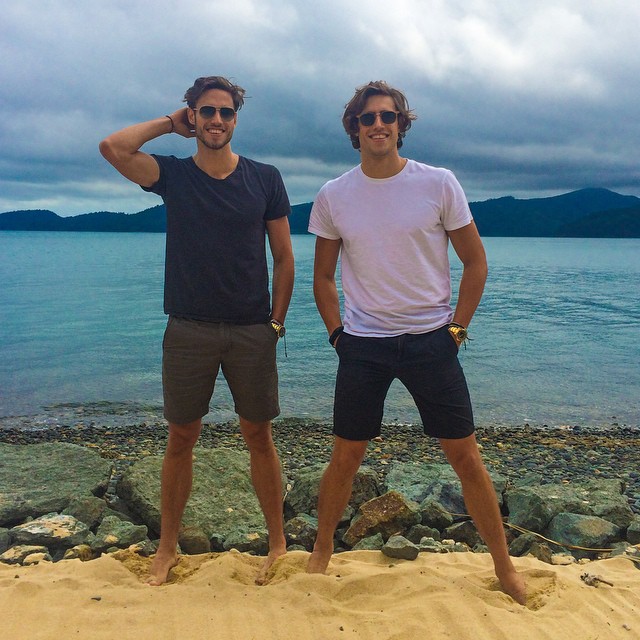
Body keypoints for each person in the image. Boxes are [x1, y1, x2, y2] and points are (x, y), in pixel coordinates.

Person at [306, 80, 526, 605]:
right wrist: (337, 333)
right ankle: (319, 554)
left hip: (432, 339)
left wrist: (457, 328)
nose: (378, 125)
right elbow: (322, 275)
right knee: (345, 455)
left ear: (402, 123)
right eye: (367, 118)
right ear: (353, 129)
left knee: (465, 456)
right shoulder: (334, 194)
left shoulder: (439, 183)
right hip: (363, 343)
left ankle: (504, 567)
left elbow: (475, 261)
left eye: (387, 116)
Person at [99, 76, 294, 586]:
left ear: (236, 119)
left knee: (259, 434)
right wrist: (168, 125)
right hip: (188, 329)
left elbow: (285, 257)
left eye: (225, 112)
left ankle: (277, 544)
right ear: (193, 116)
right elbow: (113, 147)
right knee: (181, 436)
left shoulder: (266, 178)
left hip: (252, 329)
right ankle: (166, 548)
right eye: (205, 111)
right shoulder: (174, 176)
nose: (216, 120)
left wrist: (276, 322)